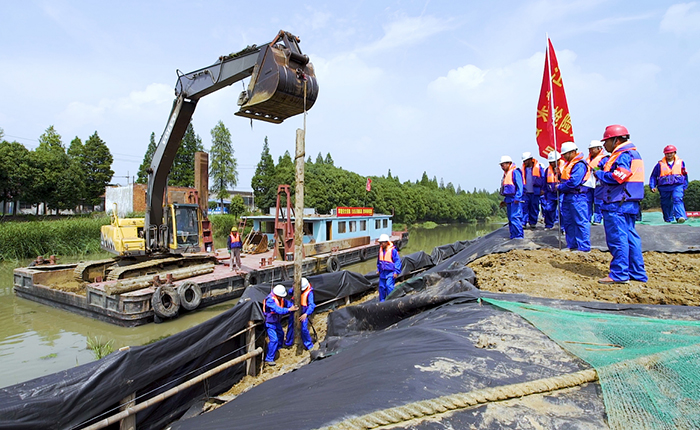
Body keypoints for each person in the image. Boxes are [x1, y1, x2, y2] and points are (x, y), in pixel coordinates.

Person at [594, 124, 648, 284]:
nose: (604, 145)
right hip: (629, 202)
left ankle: (619, 274)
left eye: (606, 141)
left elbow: (619, 176)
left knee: (618, 238)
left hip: (617, 203)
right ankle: (637, 273)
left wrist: (600, 174)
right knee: (631, 238)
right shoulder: (633, 154)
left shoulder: (623, 155)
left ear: (616, 140)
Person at [557, 142, 592, 252]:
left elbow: (574, 182)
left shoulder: (579, 165)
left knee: (580, 221)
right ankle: (572, 245)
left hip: (578, 197)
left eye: (566, 154)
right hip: (568, 196)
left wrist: (560, 187)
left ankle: (584, 247)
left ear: (573, 152)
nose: (564, 156)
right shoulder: (568, 164)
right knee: (568, 222)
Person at [649, 145, 688, 224]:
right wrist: (652, 186)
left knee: (677, 198)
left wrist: (685, 185)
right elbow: (653, 176)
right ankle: (668, 218)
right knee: (665, 203)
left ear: (675, 153)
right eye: (667, 153)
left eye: (671, 153)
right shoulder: (659, 165)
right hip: (664, 187)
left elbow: (685, 174)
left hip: (677, 185)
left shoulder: (680, 162)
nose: (669, 155)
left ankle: (680, 217)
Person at [262, 285, 298, 366]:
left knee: (281, 334)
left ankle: (279, 348)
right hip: (270, 323)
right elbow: (278, 310)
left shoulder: (280, 299)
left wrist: (292, 306)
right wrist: (289, 309)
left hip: (276, 322)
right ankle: (269, 358)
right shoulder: (270, 301)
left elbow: (287, 303)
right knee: (274, 340)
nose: (282, 298)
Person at [284, 277, 316, 350]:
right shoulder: (296, 288)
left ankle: (309, 345)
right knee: (291, 325)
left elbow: (312, 305)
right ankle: (288, 343)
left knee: (304, 329)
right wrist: (293, 288)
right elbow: (289, 293)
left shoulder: (309, 292)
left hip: (303, 312)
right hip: (295, 309)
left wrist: (306, 314)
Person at [499, 155, 524, 239]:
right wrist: (505, 201)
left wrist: (518, 197)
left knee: (515, 217)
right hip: (509, 199)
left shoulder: (515, 172)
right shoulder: (506, 174)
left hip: (515, 199)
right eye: (501, 165)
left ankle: (519, 236)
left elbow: (520, 187)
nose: (502, 167)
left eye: (503, 165)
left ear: (508, 163)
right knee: (510, 218)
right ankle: (513, 235)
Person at [520, 152, 545, 228]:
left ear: (530, 159)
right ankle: (523, 223)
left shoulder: (539, 168)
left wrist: (542, 189)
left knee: (534, 207)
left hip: (535, 192)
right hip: (525, 193)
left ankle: (533, 223)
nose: (524, 162)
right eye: (524, 161)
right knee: (524, 208)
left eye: (526, 160)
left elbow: (543, 179)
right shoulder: (523, 169)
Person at [585, 140, 606, 225]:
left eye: (592, 149)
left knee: (598, 201)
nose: (590, 151)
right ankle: (587, 219)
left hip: (599, 183)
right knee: (588, 201)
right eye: (589, 149)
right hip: (588, 184)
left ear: (599, 149)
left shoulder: (604, 159)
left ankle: (597, 219)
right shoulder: (587, 160)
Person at [376, 234, 402, 301]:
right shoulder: (381, 251)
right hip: (382, 273)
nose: (381, 244)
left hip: (390, 272)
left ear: (386, 242)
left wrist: (396, 272)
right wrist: (378, 269)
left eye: (382, 243)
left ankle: (391, 300)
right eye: (380, 243)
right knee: (381, 287)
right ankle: (382, 302)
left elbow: (397, 261)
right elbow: (379, 261)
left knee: (389, 286)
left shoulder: (393, 251)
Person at [542, 150, 561, 229]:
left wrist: (559, 174)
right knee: (548, 209)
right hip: (551, 193)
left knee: (562, 210)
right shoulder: (547, 170)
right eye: (550, 162)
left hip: (561, 193)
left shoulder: (564, 168)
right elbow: (545, 182)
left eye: (553, 162)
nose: (552, 164)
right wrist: (544, 192)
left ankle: (563, 227)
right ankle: (549, 225)